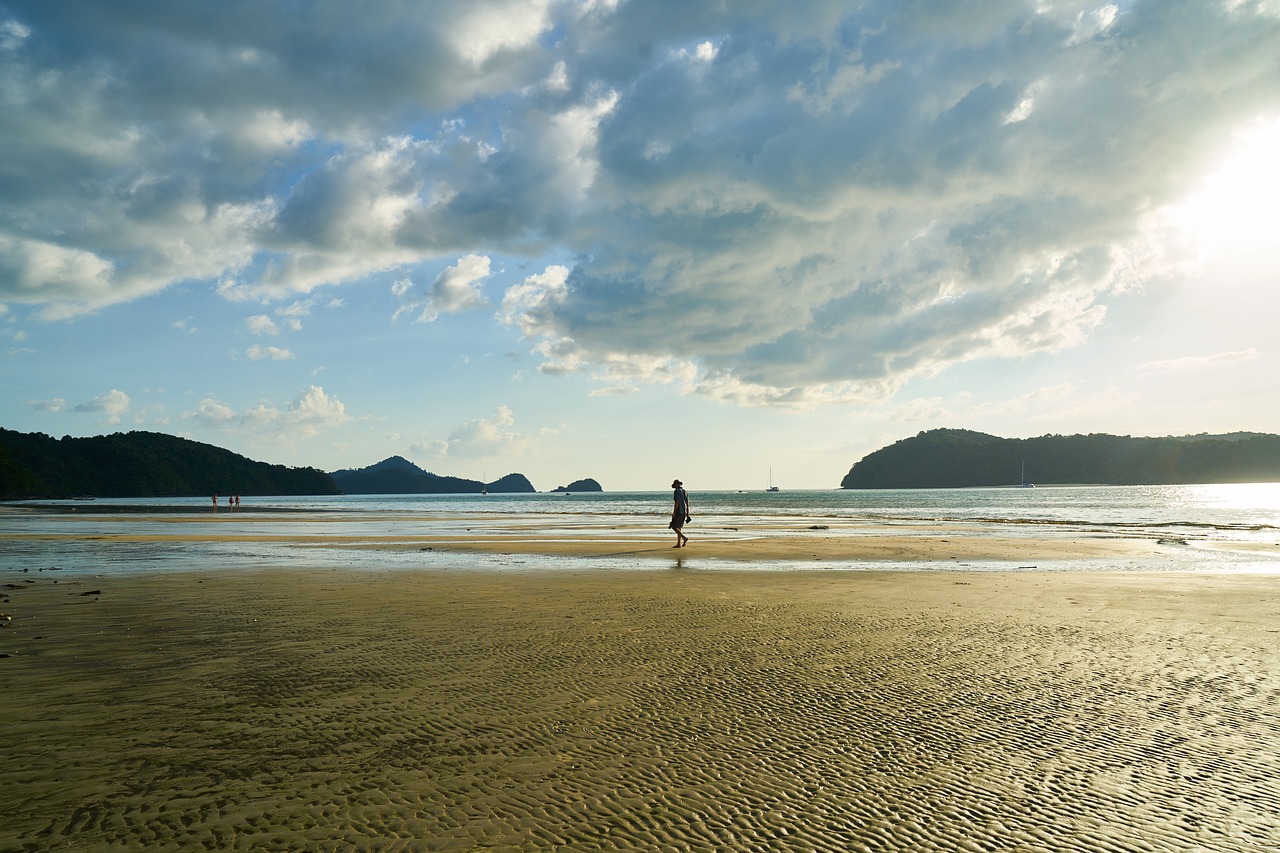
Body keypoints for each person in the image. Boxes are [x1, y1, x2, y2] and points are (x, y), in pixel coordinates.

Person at [670, 479, 690, 548]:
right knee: (679, 527)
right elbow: (687, 504)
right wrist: (687, 514)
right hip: (683, 512)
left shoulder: (676, 491)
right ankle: (679, 543)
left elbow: (677, 502)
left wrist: (674, 512)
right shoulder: (685, 492)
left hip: (678, 511)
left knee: (674, 527)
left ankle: (684, 538)